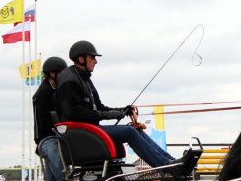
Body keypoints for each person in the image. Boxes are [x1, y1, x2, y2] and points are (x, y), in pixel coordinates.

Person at [56, 40, 178, 168]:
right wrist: (108, 115)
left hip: (90, 131)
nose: (96, 61)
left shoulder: (84, 79)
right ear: (81, 59)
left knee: (136, 130)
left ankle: (170, 161)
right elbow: (74, 113)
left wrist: (121, 111)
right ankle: (163, 165)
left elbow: (100, 107)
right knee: (129, 132)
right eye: (92, 58)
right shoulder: (69, 79)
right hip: (82, 134)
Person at [33, 56, 67, 181]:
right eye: (60, 73)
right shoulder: (45, 93)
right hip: (50, 141)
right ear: (52, 74)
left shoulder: (51, 90)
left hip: (49, 141)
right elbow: (46, 120)